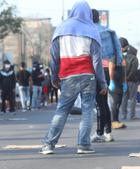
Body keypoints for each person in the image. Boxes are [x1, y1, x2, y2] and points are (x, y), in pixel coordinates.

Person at [40, 1, 108, 155]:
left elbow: (54, 58)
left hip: (67, 76)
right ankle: (83, 145)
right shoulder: (92, 30)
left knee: (62, 110)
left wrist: (54, 77)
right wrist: (102, 83)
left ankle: (49, 145)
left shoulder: (61, 29)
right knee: (87, 110)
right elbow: (97, 61)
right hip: (87, 76)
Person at [90, 8, 121, 142]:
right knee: (103, 102)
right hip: (107, 70)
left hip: (94, 71)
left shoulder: (89, 31)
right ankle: (107, 132)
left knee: (99, 104)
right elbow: (116, 54)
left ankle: (99, 132)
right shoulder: (108, 31)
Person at [119, 37, 139, 120]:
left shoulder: (119, 57)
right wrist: (127, 78)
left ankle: (123, 115)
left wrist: (123, 79)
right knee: (132, 98)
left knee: (124, 98)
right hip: (132, 81)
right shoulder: (134, 58)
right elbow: (134, 70)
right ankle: (132, 115)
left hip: (122, 81)